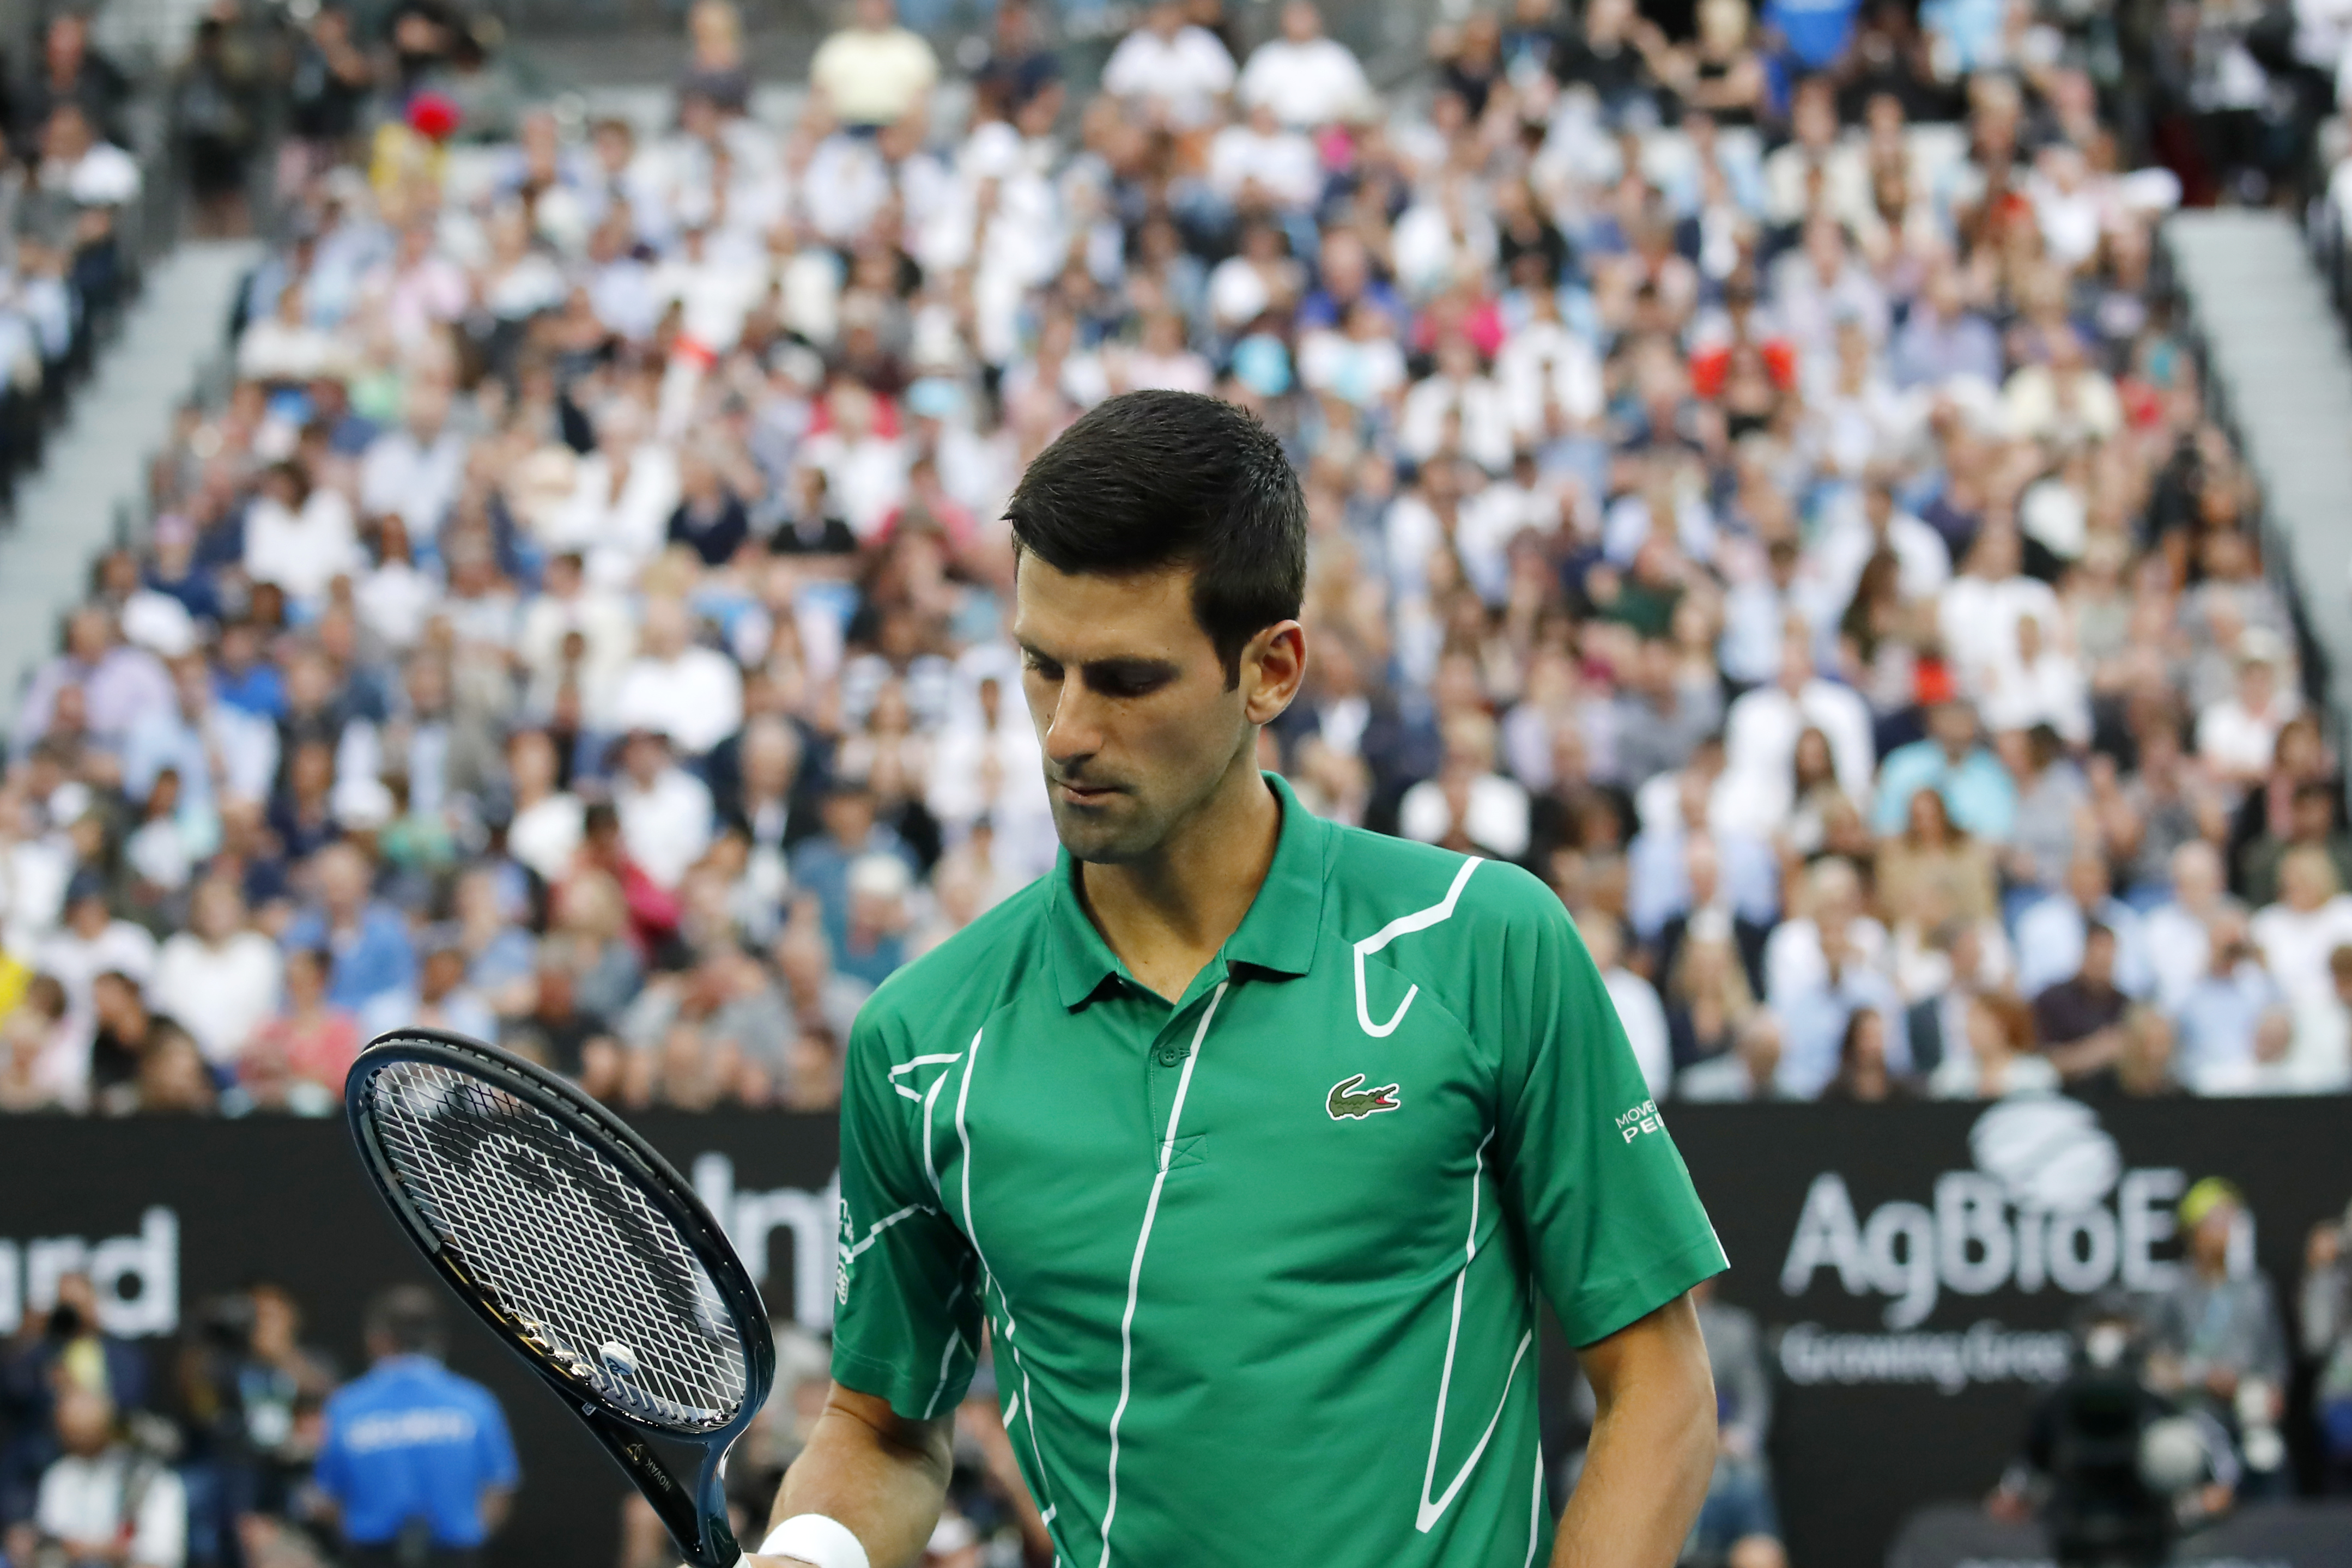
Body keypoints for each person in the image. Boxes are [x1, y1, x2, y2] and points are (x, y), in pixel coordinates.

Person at [743, 392, 1724, 1568]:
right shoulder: (914, 1038)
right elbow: (882, 1429)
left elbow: (1657, 1382)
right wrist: (808, 1549)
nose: (1063, 729)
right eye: (1039, 667)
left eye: (1124, 678)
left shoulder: (1486, 939)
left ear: (1271, 670)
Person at [314, 1287, 518, 1567]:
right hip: (456, 1557)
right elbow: (499, 1489)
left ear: (379, 1339)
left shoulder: (347, 1407)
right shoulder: (475, 1404)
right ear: (437, 1338)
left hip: (372, 1558)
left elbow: (327, 1498)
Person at [2147, 1179, 2292, 1496]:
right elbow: (2156, 1365)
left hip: (2252, 1418)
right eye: (2215, 1221)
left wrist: (2272, 1391)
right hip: (2195, 1417)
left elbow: (2274, 1355)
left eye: (2231, 1220)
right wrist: (2203, 1377)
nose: (2225, 1231)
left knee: (2269, 1461)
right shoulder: (2173, 1294)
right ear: (2192, 1231)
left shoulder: (2256, 1289)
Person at [29, 1387, 185, 1568]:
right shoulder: (59, 1475)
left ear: (110, 1428)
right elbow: (51, 1547)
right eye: (72, 1434)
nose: (78, 1440)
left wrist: (96, 1551)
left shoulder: (151, 1479)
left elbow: (161, 1557)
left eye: (86, 1433)